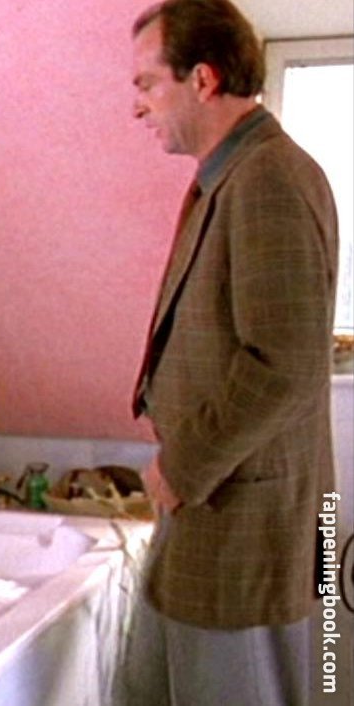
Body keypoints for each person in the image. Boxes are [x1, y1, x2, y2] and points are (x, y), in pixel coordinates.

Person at [126, 1, 338, 705]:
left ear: (203, 79)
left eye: (147, 84)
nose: (137, 106)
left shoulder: (268, 178)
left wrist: (180, 467)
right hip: (215, 508)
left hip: (241, 520)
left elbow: (284, 363)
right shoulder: (235, 174)